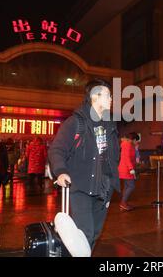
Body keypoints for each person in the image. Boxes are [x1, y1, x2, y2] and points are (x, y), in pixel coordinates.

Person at [49, 79, 120, 250]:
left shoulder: (110, 124)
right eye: (108, 95)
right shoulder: (75, 122)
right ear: (94, 97)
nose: (112, 99)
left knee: (94, 234)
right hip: (81, 187)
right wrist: (61, 171)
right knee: (84, 234)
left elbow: (115, 154)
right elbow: (56, 149)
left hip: (104, 189)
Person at [118, 133, 138, 211]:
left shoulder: (128, 144)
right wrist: (131, 169)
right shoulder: (127, 145)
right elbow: (127, 158)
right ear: (134, 139)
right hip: (126, 170)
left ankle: (124, 203)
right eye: (137, 141)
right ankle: (123, 203)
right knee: (131, 186)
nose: (137, 143)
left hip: (125, 169)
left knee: (127, 186)